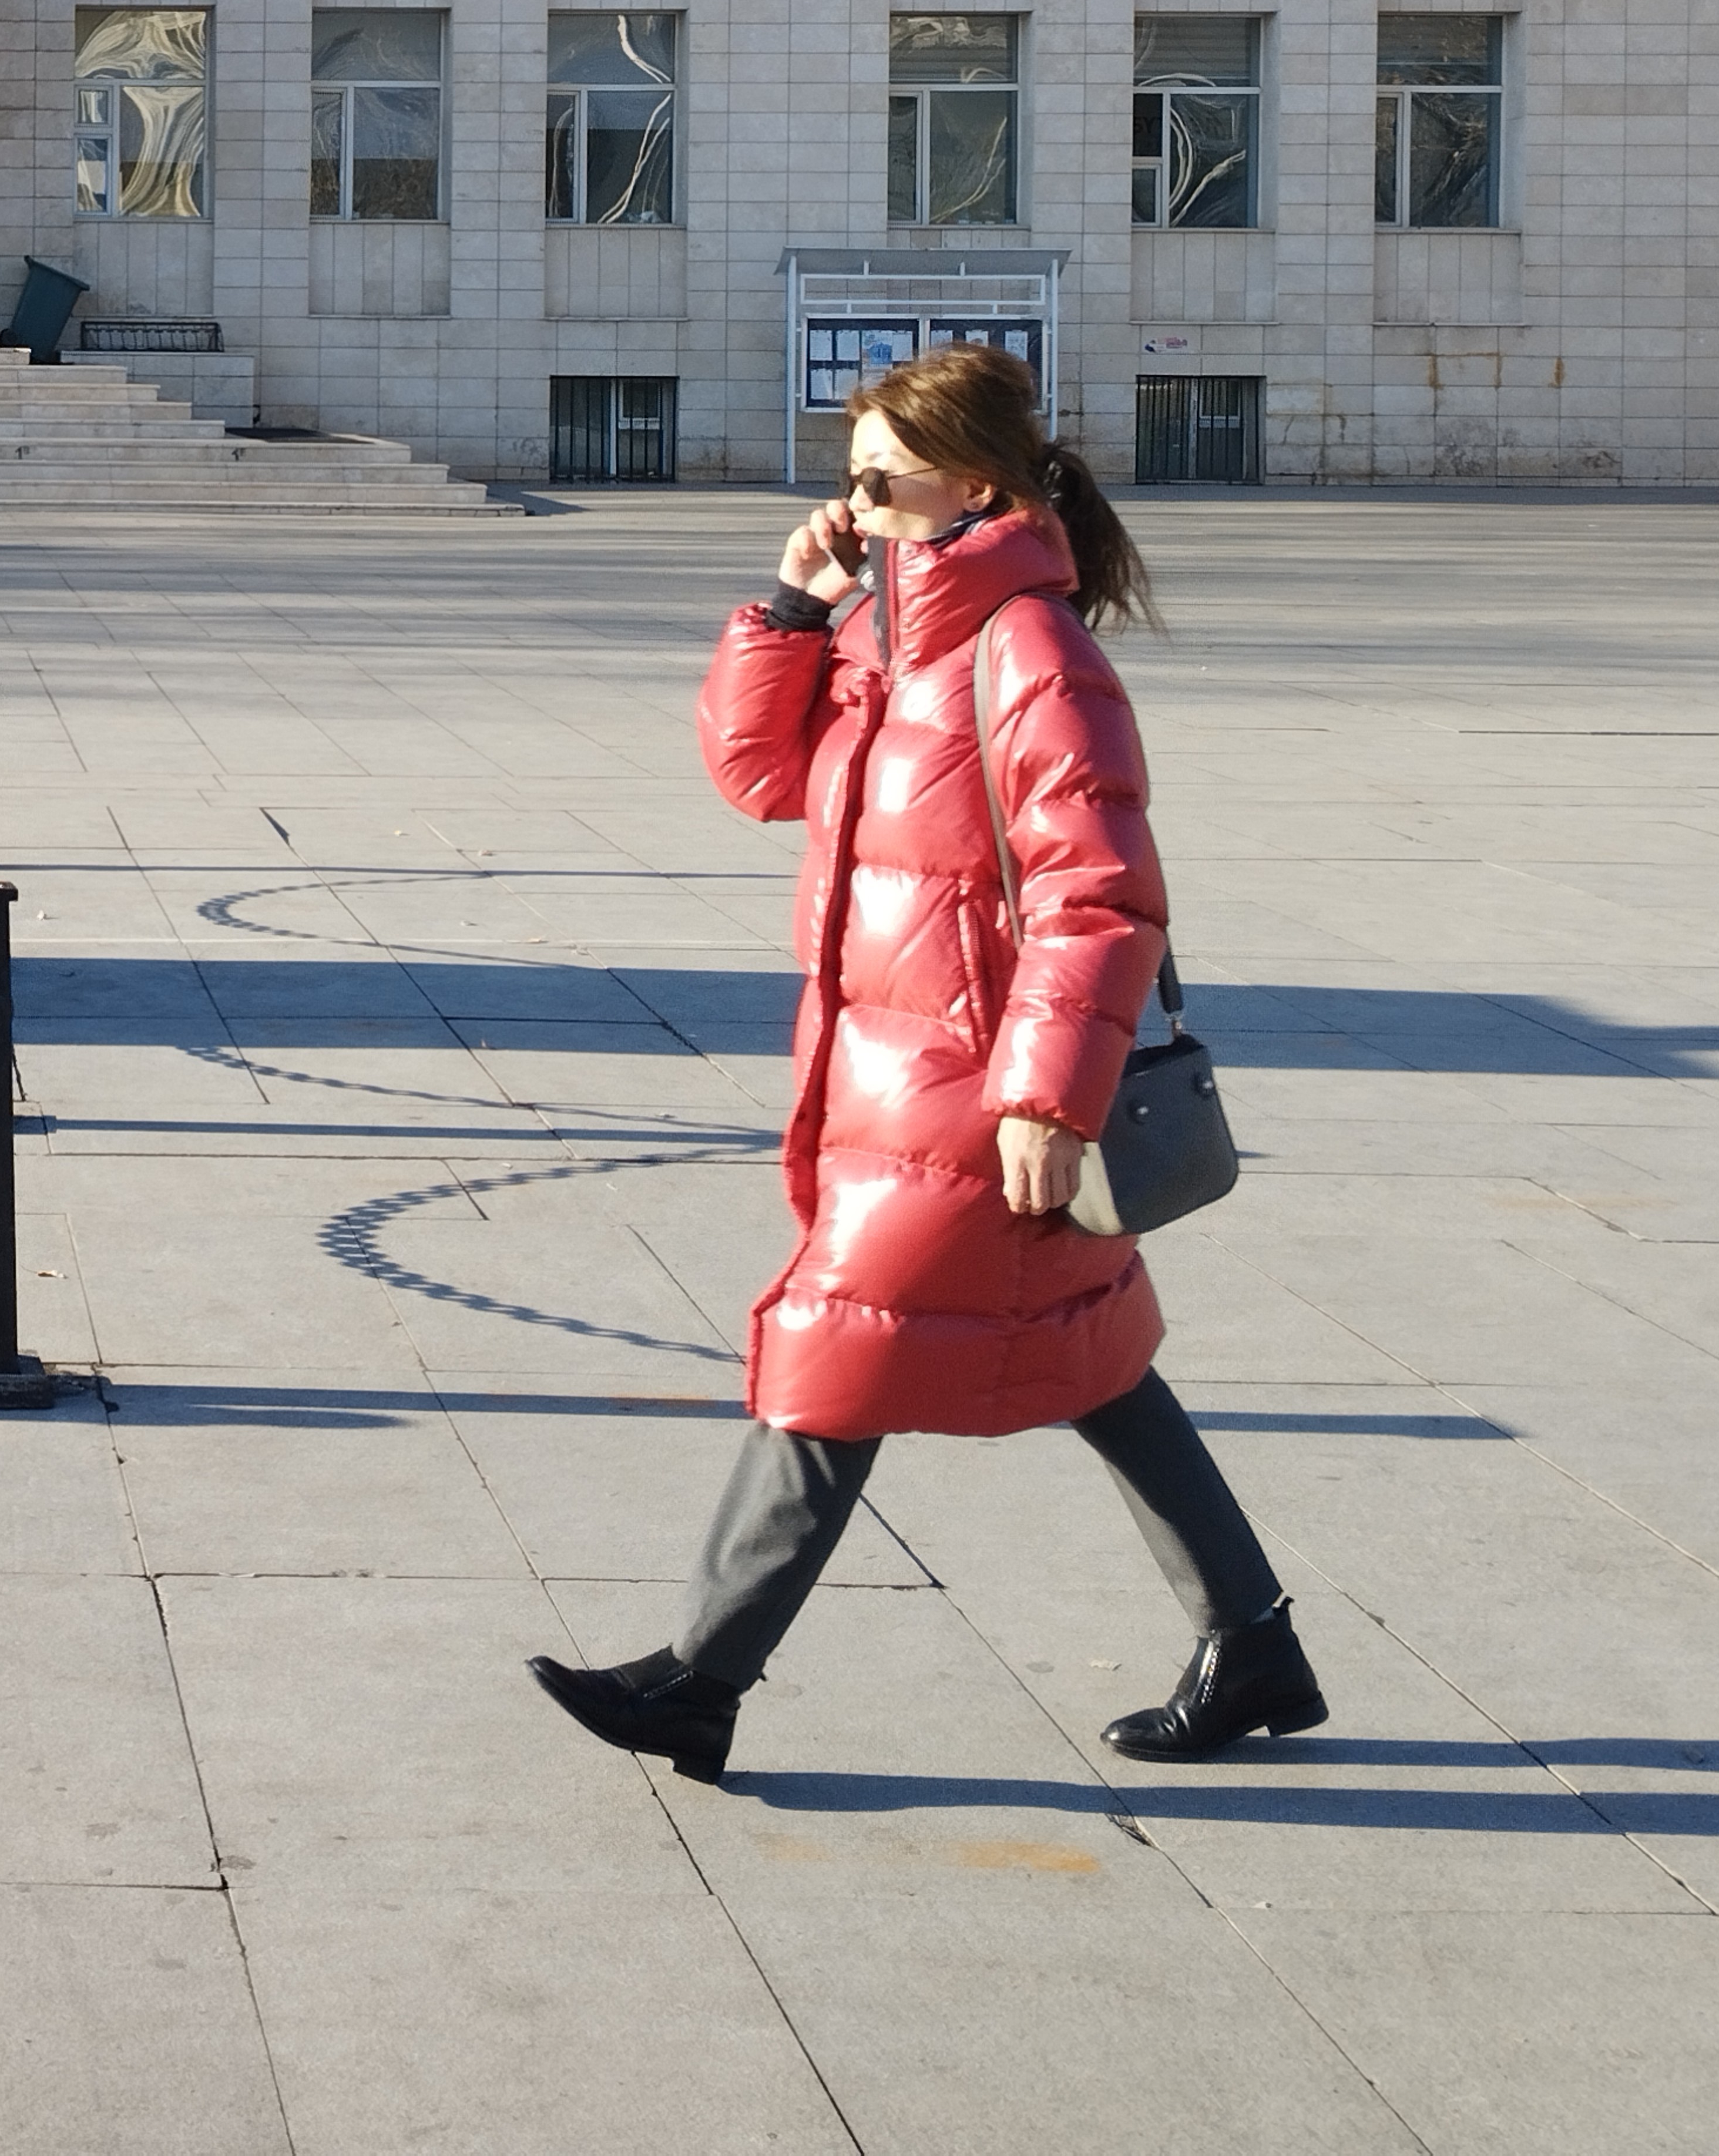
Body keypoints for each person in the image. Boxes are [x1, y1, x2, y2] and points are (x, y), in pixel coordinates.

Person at [529, 344, 1322, 1784]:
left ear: (972, 486)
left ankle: (700, 1678)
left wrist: (1047, 1097)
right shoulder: (885, 639)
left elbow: (1099, 893)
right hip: (883, 1071)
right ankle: (1252, 1641)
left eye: (880, 483)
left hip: (971, 1086)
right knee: (1093, 1358)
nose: (856, 505)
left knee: (841, 1346)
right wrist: (791, 605)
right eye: (847, 479)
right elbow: (759, 777)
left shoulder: (1031, 650)